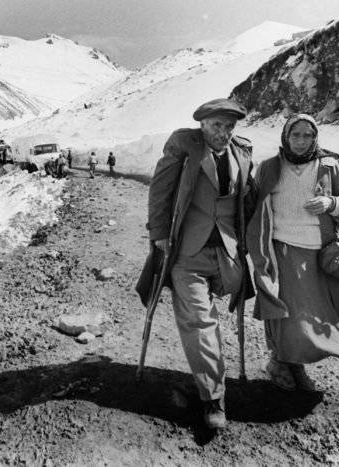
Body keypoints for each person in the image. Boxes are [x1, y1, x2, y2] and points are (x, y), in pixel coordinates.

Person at [246, 113, 339, 392]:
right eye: (295, 135)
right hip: (282, 251)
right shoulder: (268, 168)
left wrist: (330, 202)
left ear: (315, 138)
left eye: (307, 135)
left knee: (320, 318)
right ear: (285, 137)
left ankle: (288, 363)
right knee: (289, 315)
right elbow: (252, 207)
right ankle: (283, 363)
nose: (301, 141)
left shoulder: (331, 165)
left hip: (322, 253)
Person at [143, 98, 257, 429]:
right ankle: (213, 399)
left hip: (226, 253)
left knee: (227, 310)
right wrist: (160, 234)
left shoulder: (242, 152)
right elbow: (160, 191)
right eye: (217, 126)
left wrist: (245, 242)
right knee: (200, 321)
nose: (223, 133)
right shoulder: (185, 146)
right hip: (188, 253)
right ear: (203, 125)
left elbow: (247, 201)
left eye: (229, 127)